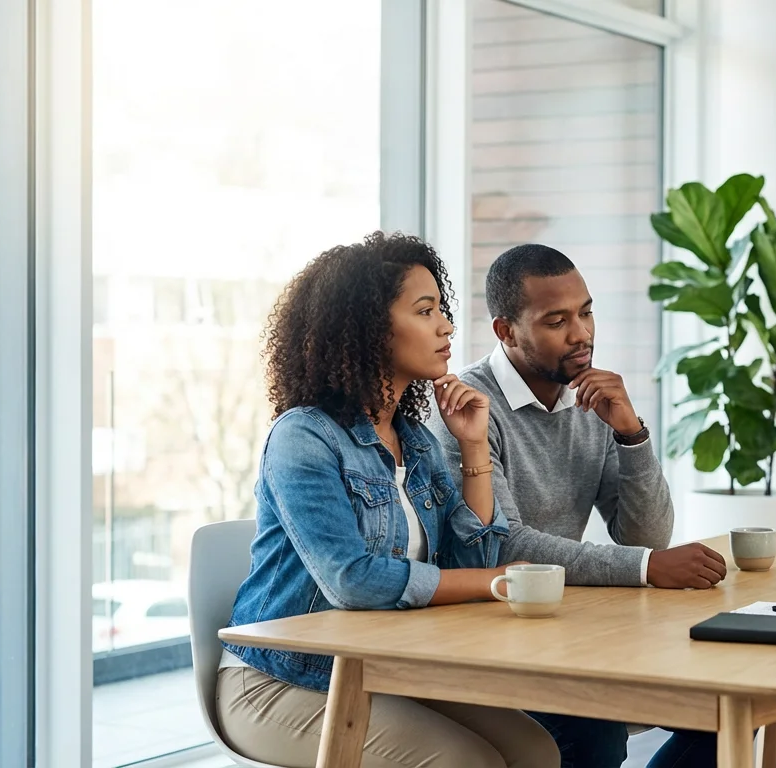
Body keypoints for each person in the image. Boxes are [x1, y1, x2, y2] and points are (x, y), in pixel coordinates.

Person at [218, 232, 559, 768]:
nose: (446, 326)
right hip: (278, 681)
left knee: (536, 751)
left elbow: (471, 563)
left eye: (441, 309)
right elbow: (352, 580)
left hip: (380, 668)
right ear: (369, 330)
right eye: (425, 311)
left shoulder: (416, 439)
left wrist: (474, 446)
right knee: (465, 763)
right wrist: (497, 582)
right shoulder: (302, 436)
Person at [430, 243, 727, 767]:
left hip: (569, 622)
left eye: (586, 313)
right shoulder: (467, 409)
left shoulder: (591, 399)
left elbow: (645, 536)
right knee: (592, 734)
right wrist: (647, 567)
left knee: (724, 705)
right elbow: (504, 545)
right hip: (486, 629)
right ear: (506, 331)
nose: (581, 334)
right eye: (557, 321)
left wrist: (632, 435)